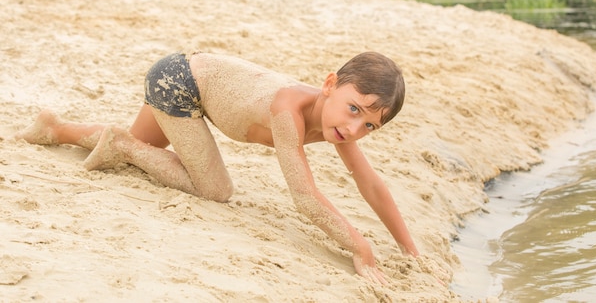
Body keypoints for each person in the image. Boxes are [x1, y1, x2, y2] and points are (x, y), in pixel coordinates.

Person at [16, 51, 419, 284]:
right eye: (354, 109)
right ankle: (120, 145)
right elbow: (303, 196)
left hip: (191, 80)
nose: (354, 128)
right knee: (216, 189)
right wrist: (361, 248)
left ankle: (56, 128)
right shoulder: (289, 112)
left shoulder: (335, 126)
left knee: (148, 147)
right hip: (180, 84)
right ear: (329, 84)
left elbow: (371, 184)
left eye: (369, 125)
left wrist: (409, 249)